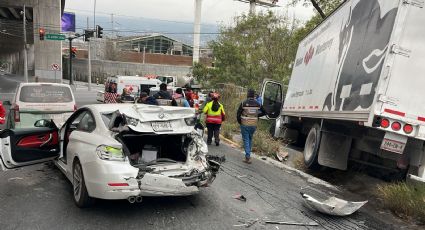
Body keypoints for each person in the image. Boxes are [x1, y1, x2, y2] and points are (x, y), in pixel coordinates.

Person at [237, 89, 266, 164]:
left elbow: (238, 114)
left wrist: (240, 122)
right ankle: (248, 154)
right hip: (254, 124)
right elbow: (265, 112)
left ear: (247, 95)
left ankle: (247, 156)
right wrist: (257, 115)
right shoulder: (258, 103)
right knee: (250, 138)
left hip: (245, 123)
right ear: (253, 95)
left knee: (246, 139)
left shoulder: (243, 103)